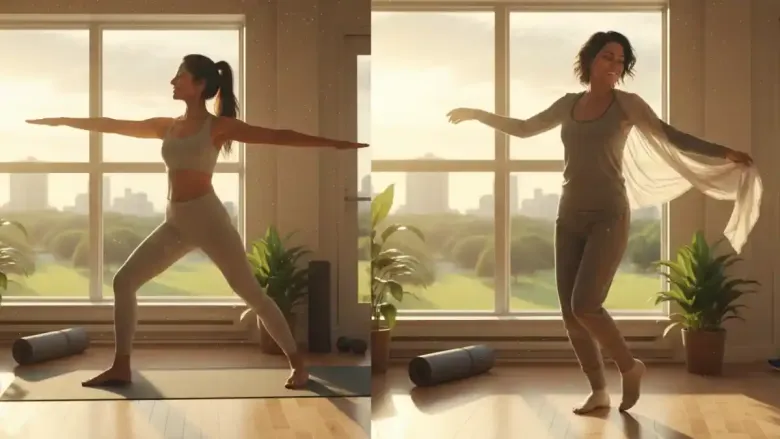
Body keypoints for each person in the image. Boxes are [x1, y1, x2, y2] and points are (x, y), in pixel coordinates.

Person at [446, 31, 761, 414]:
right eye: (608, 56)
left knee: (585, 304)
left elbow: (671, 136)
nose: (614, 65)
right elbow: (525, 128)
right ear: (591, 59)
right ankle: (598, 391)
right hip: (569, 216)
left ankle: (629, 366)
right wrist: (478, 114)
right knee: (570, 315)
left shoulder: (627, 105)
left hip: (609, 215)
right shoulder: (569, 104)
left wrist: (724, 152)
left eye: (620, 60)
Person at [26, 54, 367, 389]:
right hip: (176, 221)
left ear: (200, 84)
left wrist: (336, 144)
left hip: (209, 220)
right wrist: (63, 120)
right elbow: (113, 124)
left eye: (180, 76)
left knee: (252, 294)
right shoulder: (167, 126)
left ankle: (298, 364)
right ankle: (121, 366)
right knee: (124, 281)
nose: (173, 81)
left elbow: (277, 136)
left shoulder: (217, 127)